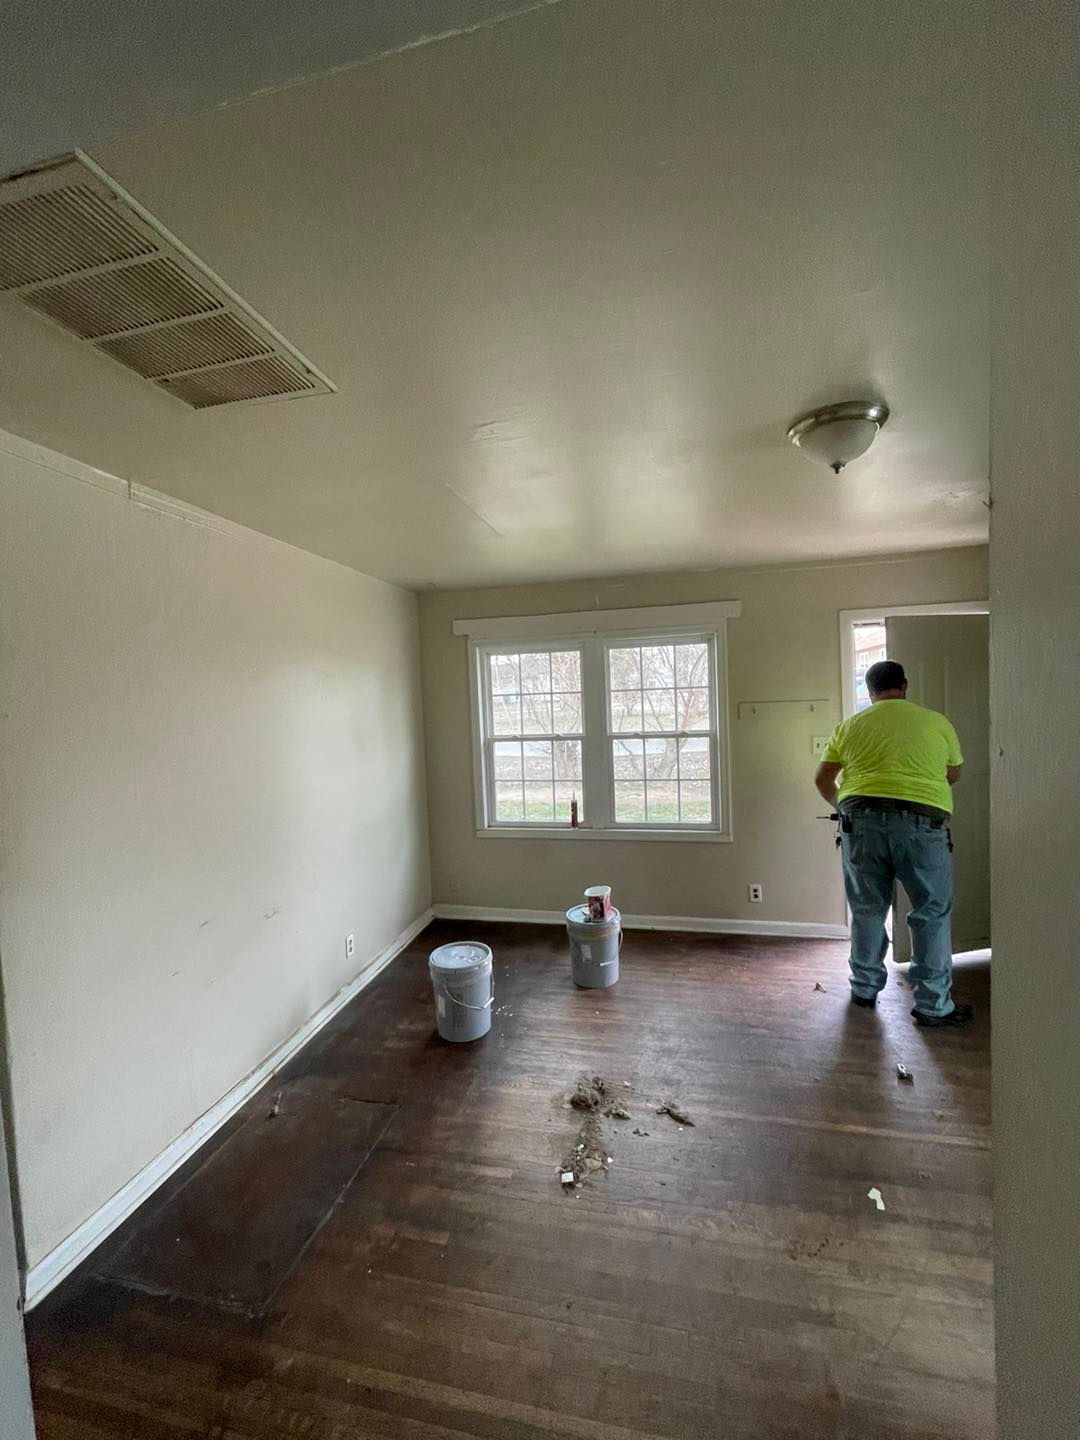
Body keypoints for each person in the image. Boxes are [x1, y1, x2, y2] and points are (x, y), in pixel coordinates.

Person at [814, 659, 973, 1027]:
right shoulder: (936, 722)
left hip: (861, 823)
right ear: (905, 685)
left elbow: (822, 779)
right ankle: (933, 1005)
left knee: (867, 908)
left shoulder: (849, 727)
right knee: (930, 911)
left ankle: (864, 988)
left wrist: (844, 808)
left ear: (870, 692)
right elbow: (952, 773)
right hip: (922, 824)